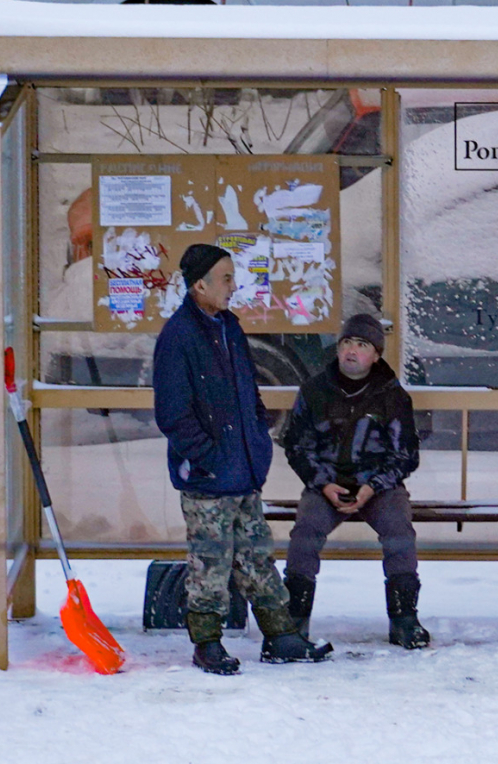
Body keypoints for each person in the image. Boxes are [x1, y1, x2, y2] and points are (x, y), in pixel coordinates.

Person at [153, 244, 331, 674]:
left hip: (243, 468)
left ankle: (281, 635)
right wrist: (209, 458)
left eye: (233, 276)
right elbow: (174, 415)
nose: (234, 286)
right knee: (210, 561)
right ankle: (207, 643)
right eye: (226, 278)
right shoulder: (178, 338)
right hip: (208, 475)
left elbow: (248, 393)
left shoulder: (228, 327)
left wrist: (257, 437)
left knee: (256, 556)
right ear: (200, 285)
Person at [282, 313, 430, 649]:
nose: (351, 350)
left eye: (361, 345)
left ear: (376, 354)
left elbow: (406, 454)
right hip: (327, 484)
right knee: (305, 532)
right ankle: (294, 619)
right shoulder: (315, 390)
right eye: (347, 342)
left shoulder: (392, 396)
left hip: (377, 486)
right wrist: (322, 483)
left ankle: (405, 619)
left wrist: (373, 486)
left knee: (399, 532)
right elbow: (296, 445)